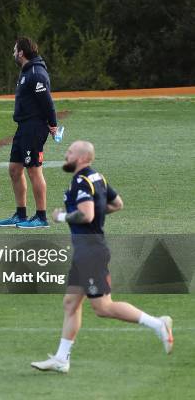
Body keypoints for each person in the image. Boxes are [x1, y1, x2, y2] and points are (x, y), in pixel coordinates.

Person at [31, 140, 173, 373]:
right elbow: (117, 204)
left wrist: (63, 217)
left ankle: (158, 324)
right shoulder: (98, 177)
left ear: (83, 157)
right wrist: (95, 212)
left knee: (103, 307)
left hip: (90, 252)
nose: (66, 155)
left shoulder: (81, 181)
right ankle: (61, 359)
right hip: (86, 251)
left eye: (70, 153)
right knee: (70, 303)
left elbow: (86, 215)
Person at [0, 37, 57, 229]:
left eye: (15, 50)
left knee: (34, 169)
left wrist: (53, 124)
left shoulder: (36, 73)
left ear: (21, 52)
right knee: (15, 169)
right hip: (23, 127)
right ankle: (20, 214)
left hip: (34, 127)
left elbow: (47, 102)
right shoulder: (25, 72)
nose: (13, 53)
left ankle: (41, 217)